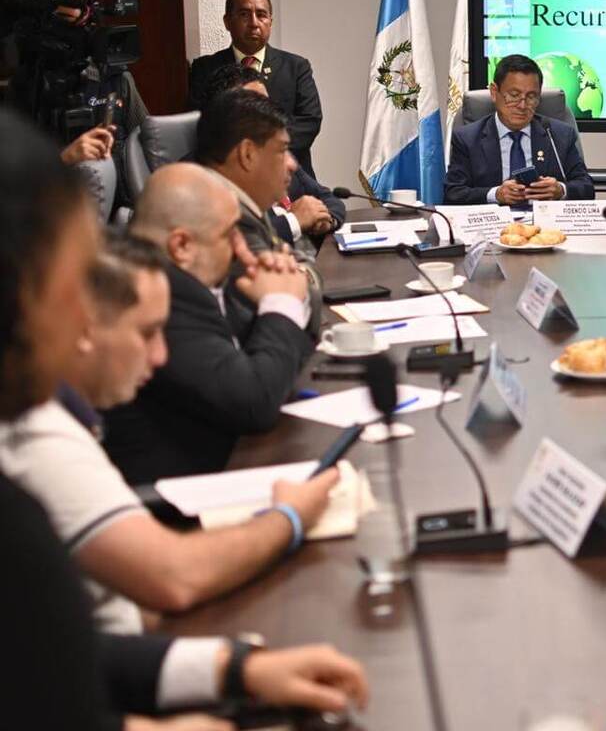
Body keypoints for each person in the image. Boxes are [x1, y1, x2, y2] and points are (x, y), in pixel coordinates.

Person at [0, 107, 367, 729]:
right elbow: (164, 584)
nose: (84, 314)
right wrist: (287, 518)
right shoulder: (28, 437)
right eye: (70, 284)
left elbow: (57, 658)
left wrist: (231, 668)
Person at [2, 231, 340, 632]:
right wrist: (289, 516)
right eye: (146, 333)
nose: (161, 355)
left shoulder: (68, 415)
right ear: (82, 326)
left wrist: (230, 669)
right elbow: (174, 577)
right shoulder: (36, 435)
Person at [102, 163, 315, 483]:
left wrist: (280, 291)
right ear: (182, 246)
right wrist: (281, 304)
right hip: (184, 502)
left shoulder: (201, 278)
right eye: (230, 234)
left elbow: (260, 361)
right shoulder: (156, 303)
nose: (241, 248)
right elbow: (254, 402)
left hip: (230, 462)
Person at [194, 88, 323, 331]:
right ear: (247, 154)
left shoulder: (249, 201)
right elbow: (304, 298)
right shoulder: (226, 216)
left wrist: (299, 271)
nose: (293, 164)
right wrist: (303, 276)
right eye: (283, 150)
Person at [200, 64, 344, 250]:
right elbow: (233, 243)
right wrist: (294, 221)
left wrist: (324, 219)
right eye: (256, 106)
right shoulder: (198, 178)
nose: (290, 164)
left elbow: (328, 198)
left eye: (267, 102)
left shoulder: (274, 153)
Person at [188, 0, 323, 178]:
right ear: (227, 21)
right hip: (228, 175)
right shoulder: (205, 68)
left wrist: (262, 150)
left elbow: (309, 122)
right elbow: (201, 122)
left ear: (270, 21)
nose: (254, 23)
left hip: (290, 175)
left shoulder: (295, 67)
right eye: (244, 14)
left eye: (261, 15)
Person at [444, 54, 593, 205]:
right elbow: (453, 193)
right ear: (494, 92)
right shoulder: (467, 139)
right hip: (493, 225)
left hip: (545, 224)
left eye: (531, 96)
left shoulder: (559, 135)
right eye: (514, 96)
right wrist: (495, 194)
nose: (522, 106)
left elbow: (586, 187)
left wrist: (561, 190)